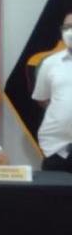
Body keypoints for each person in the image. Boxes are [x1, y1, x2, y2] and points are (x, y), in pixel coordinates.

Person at [32, 11, 72, 172]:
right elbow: (42, 98)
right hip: (57, 148)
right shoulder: (50, 63)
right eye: (67, 27)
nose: (70, 32)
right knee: (53, 188)